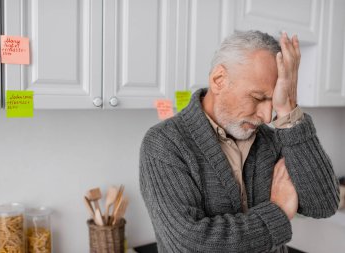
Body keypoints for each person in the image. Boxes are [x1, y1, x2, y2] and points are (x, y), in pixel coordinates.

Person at [139, 30, 340, 253]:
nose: (266, 116)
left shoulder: (273, 140)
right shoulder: (165, 144)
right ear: (219, 80)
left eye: (273, 101)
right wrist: (279, 210)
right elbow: (191, 245)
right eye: (257, 97)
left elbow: (323, 204)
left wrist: (289, 112)